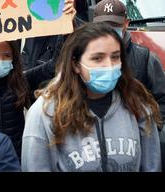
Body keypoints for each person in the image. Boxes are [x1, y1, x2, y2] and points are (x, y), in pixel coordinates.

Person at [21, 23, 162, 172]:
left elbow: (151, 165)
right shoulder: (46, 112)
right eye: (97, 58)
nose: (109, 65)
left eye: (115, 57)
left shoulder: (136, 103)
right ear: (75, 64)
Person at [92, 0, 165, 170]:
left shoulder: (145, 59)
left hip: (135, 149)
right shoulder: (85, 60)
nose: (109, 31)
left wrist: (148, 130)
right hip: (94, 149)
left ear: (126, 24)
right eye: (104, 25)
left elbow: (162, 99)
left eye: (114, 25)